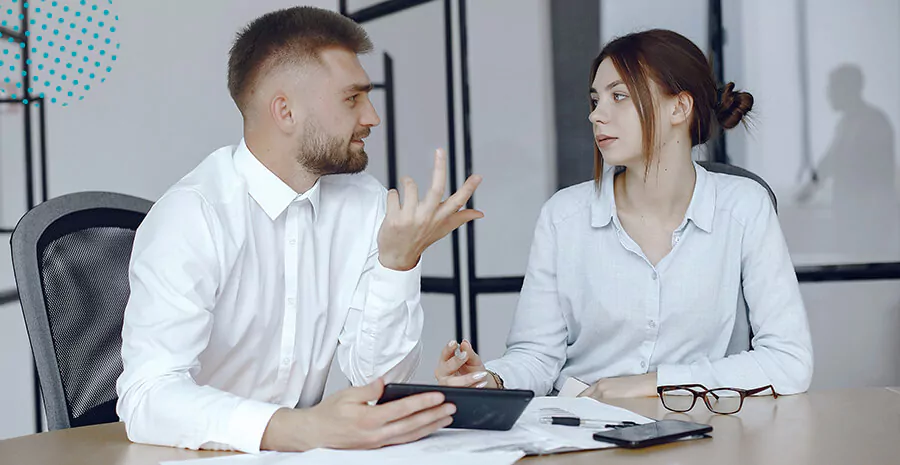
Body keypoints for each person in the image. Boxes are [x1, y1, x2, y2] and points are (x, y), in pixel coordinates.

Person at [116, 6, 483, 453]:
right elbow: (147, 396)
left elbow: (378, 383)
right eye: (353, 98)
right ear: (285, 112)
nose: (372, 117)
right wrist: (298, 429)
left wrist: (397, 264)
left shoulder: (366, 204)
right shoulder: (193, 215)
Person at [435, 29, 813, 399]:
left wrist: (655, 383)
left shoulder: (744, 206)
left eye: (619, 96)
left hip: (698, 433)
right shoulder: (564, 216)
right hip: (580, 435)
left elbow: (788, 362)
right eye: (595, 100)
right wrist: (489, 381)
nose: (597, 116)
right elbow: (536, 356)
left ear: (679, 107)